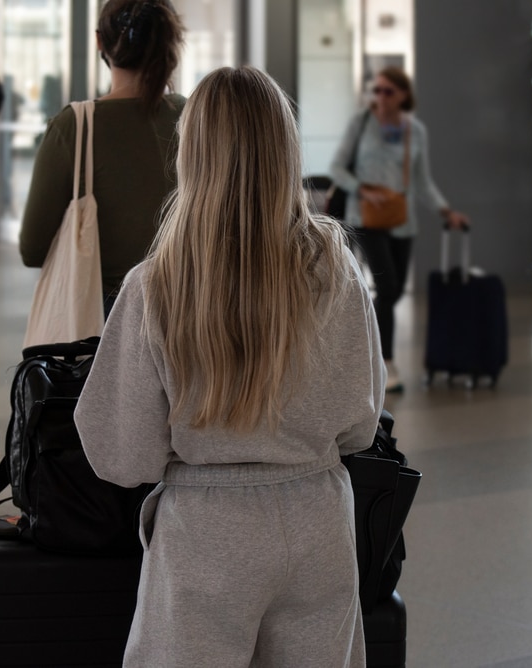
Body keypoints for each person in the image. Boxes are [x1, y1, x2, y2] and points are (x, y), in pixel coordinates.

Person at [74, 66, 385, 668]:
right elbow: (360, 425)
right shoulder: (335, 270)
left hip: (206, 529)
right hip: (319, 514)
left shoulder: (158, 284)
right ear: (285, 150)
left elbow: (124, 454)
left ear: (193, 152)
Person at [20, 0, 186, 310]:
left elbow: (33, 249)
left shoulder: (75, 125)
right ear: (169, 43)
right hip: (192, 307)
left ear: (100, 41)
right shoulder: (193, 115)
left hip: (105, 316)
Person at [330, 66, 470, 392]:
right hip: (365, 217)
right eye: (375, 91)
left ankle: (374, 357)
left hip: (403, 222)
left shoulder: (415, 131)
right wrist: (364, 189)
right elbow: (337, 167)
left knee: (388, 294)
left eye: (388, 91)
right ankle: (385, 362)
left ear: (404, 95)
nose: (380, 97)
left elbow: (422, 181)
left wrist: (445, 210)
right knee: (389, 287)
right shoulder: (361, 123)